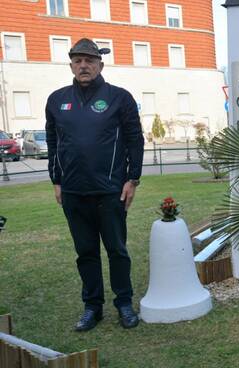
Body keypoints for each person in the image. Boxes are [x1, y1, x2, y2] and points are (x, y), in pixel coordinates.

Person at [45, 38, 144, 331]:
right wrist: (57, 181)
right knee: (85, 253)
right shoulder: (56, 100)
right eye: (77, 60)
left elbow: (135, 140)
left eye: (89, 60)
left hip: (110, 190)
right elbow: (53, 143)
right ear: (71, 65)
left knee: (117, 250)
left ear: (100, 64)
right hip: (74, 192)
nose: (83, 65)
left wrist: (132, 179)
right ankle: (92, 307)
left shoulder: (119, 98)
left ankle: (124, 303)